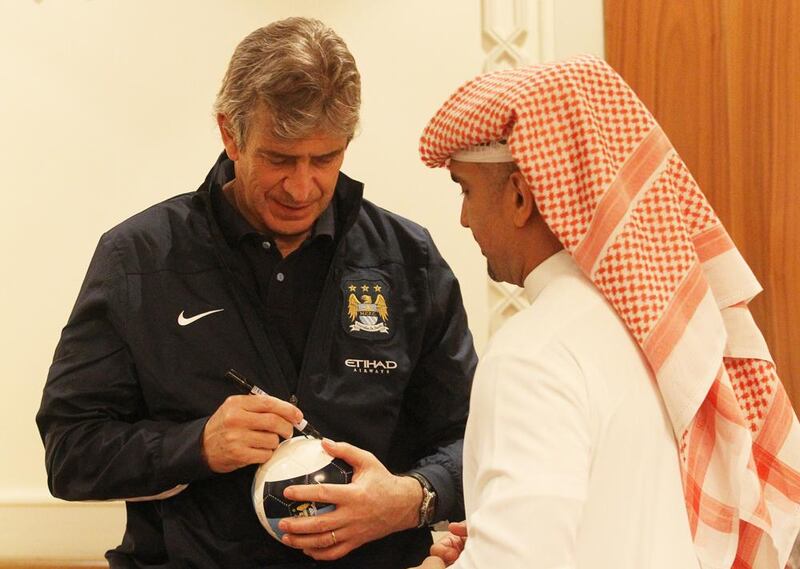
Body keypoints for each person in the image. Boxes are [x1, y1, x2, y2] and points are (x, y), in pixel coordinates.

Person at [36, 17, 476, 569]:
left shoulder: (408, 261)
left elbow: (477, 443)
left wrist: (411, 499)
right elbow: (70, 455)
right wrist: (195, 445)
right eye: (279, 158)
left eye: (325, 159)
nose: (301, 187)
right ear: (230, 133)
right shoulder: (139, 260)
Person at [411, 56, 800, 568]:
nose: (462, 218)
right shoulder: (660, 337)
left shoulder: (535, 353)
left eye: (465, 189)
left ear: (522, 197)